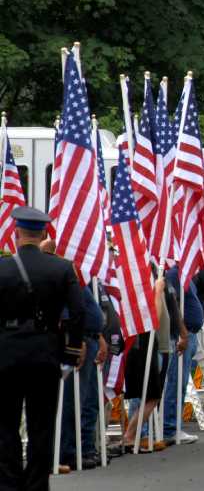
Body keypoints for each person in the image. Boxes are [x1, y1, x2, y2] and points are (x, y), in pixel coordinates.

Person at [0, 207, 85, 490]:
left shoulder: (2, 268)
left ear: (15, 232)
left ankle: (9, 484)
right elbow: (78, 314)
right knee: (42, 427)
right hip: (45, 354)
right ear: (44, 234)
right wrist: (71, 352)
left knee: (6, 426)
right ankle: (36, 485)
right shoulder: (61, 268)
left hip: (6, 355)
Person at [123, 266, 183, 452]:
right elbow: (154, 319)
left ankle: (136, 434)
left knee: (152, 395)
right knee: (150, 395)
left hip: (162, 347)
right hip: (152, 347)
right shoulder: (149, 294)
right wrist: (157, 290)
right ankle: (132, 435)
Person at [58, 288, 108, 471]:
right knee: (73, 400)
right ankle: (68, 452)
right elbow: (67, 311)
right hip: (80, 339)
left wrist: (100, 336)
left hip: (91, 338)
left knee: (89, 400)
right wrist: (75, 339)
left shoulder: (80, 277)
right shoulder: (67, 272)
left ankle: (85, 448)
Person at [161, 264, 203, 445]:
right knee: (176, 382)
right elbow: (174, 305)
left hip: (191, 334)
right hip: (181, 336)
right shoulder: (174, 275)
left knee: (182, 381)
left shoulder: (187, 276)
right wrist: (182, 332)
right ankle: (170, 427)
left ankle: (174, 425)